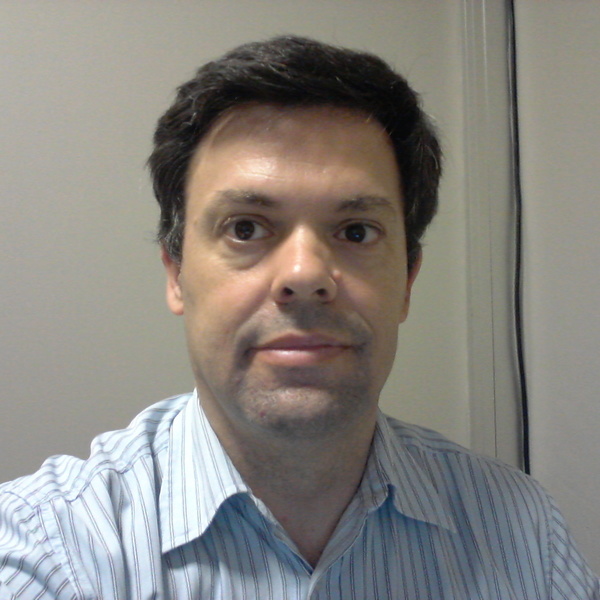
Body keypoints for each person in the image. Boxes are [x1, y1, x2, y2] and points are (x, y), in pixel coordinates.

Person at [0, 35, 597, 600]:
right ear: (176, 273)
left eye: (356, 231)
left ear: (408, 281)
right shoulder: (48, 548)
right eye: (245, 228)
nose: (305, 274)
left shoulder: (524, 533)